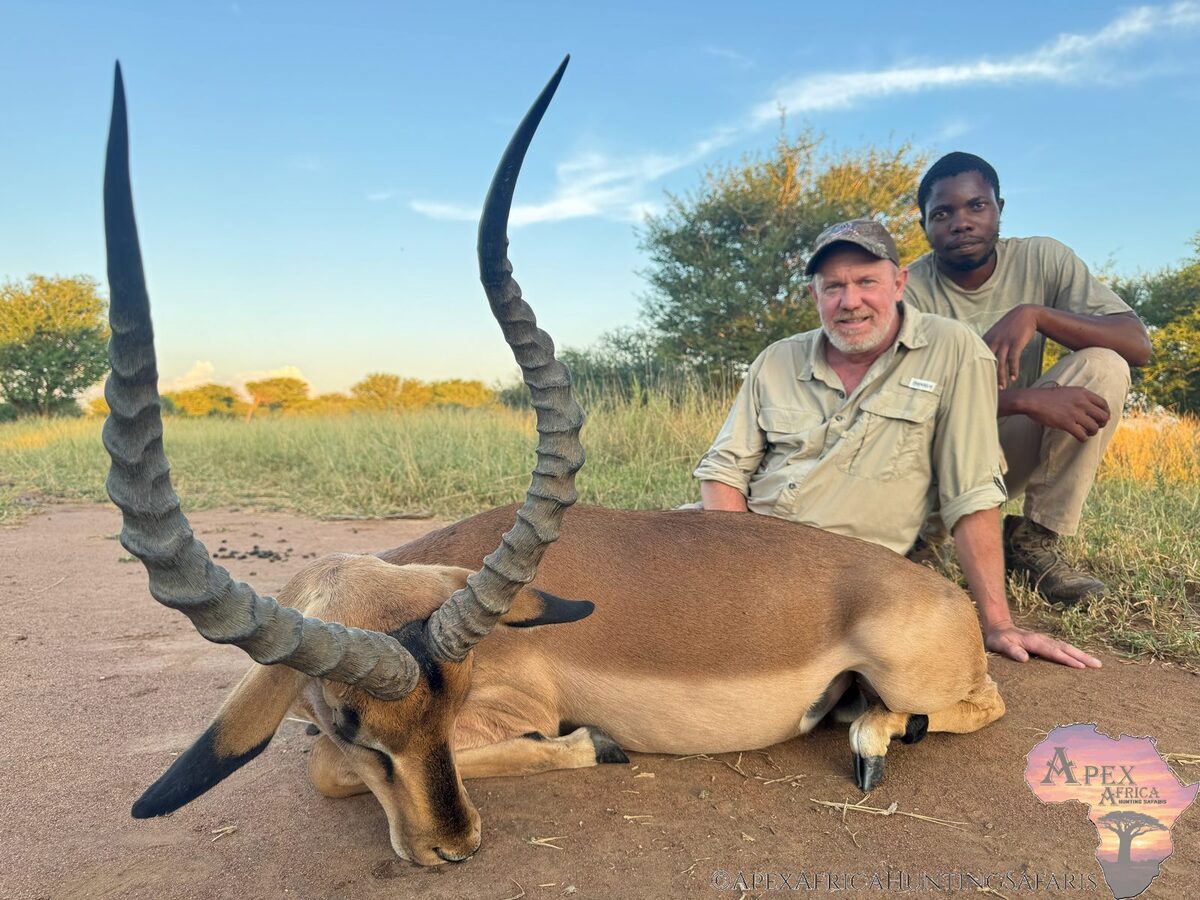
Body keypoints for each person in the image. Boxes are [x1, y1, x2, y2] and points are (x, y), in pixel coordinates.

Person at [695, 218, 1100, 669]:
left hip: (841, 574)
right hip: (735, 548)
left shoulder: (954, 350)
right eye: (833, 287)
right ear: (815, 295)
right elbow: (723, 472)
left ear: (899, 283)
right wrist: (742, 574)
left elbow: (972, 491)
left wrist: (998, 624)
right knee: (638, 585)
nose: (850, 302)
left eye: (866, 282)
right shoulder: (776, 359)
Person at [904, 153, 1151, 605]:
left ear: (999, 208)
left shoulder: (1043, 257)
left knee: (1104, 365)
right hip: (932, 456)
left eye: (976, 206)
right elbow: (904, 403)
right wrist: (1022, 400)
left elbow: (1137, 345)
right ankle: (925, 535)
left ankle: (1033, 540)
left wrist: (1037, 315)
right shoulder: (909, 290)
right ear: (924, 225)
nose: (961, 222)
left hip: (1002, 449)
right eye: (942, 213)